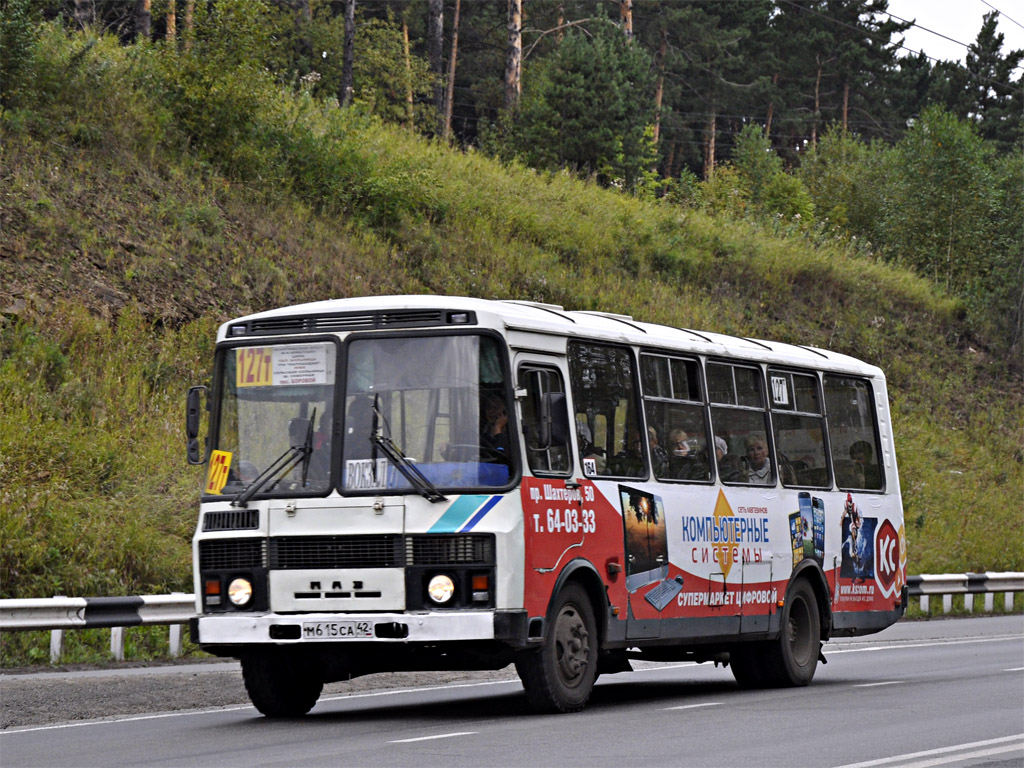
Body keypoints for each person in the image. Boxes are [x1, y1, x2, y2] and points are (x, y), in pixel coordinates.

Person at [479, 393, 511, 459]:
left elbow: (501, 458)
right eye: (488, 407)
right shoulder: (482, 435)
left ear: (505, 412)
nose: (491, 411)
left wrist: (498, 429)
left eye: (496, 408)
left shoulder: (514, 436)